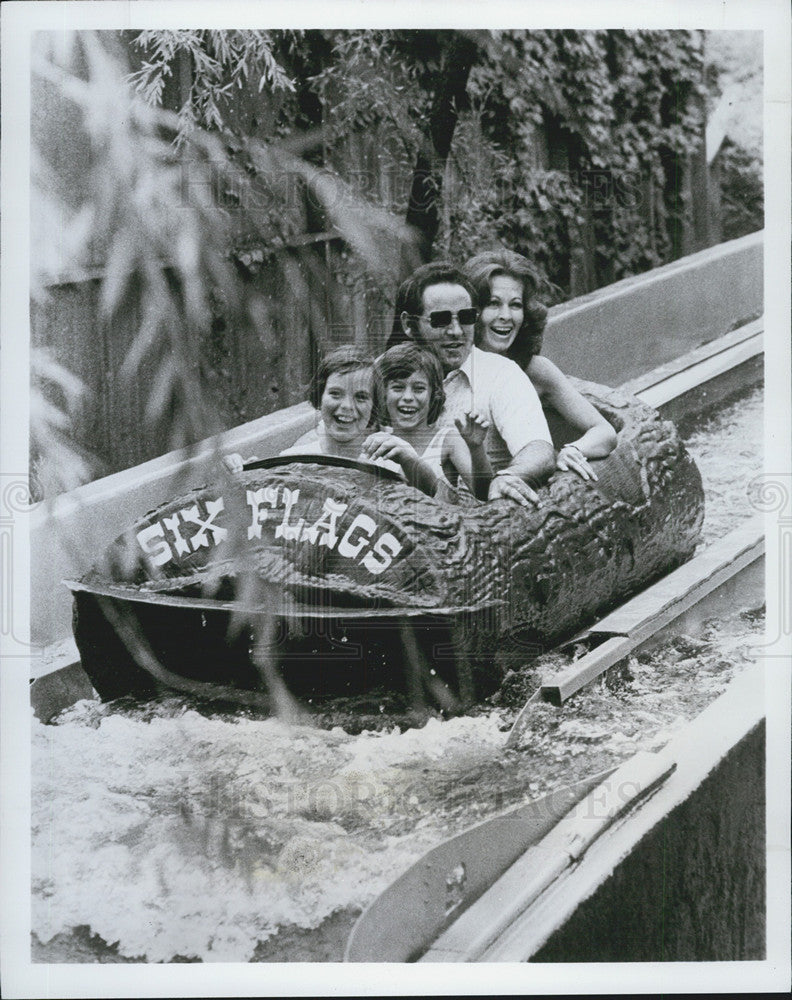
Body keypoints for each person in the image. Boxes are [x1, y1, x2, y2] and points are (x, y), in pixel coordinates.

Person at [389, 261, 555, 505]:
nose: (456, 331)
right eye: (441, 320)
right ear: (409, 325)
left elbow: (538, 450)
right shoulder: (388, 370)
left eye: (465, 317)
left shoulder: (501, 375)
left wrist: (508, 477)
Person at [463, 249, 617, 482]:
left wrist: (573, 450)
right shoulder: (454, 364)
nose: (505, 315)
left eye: (515, 305)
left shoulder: (535, 370)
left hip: (516, 490)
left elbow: (604, 432)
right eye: (493, 304)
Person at [366, 342, 493, 500]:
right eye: (398, 388)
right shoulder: (378, 442)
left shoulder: (447, 440)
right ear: (383, 394)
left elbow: (484, 495)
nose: (407, 397)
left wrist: (476, 448)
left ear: (434, 396)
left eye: (419, 389)